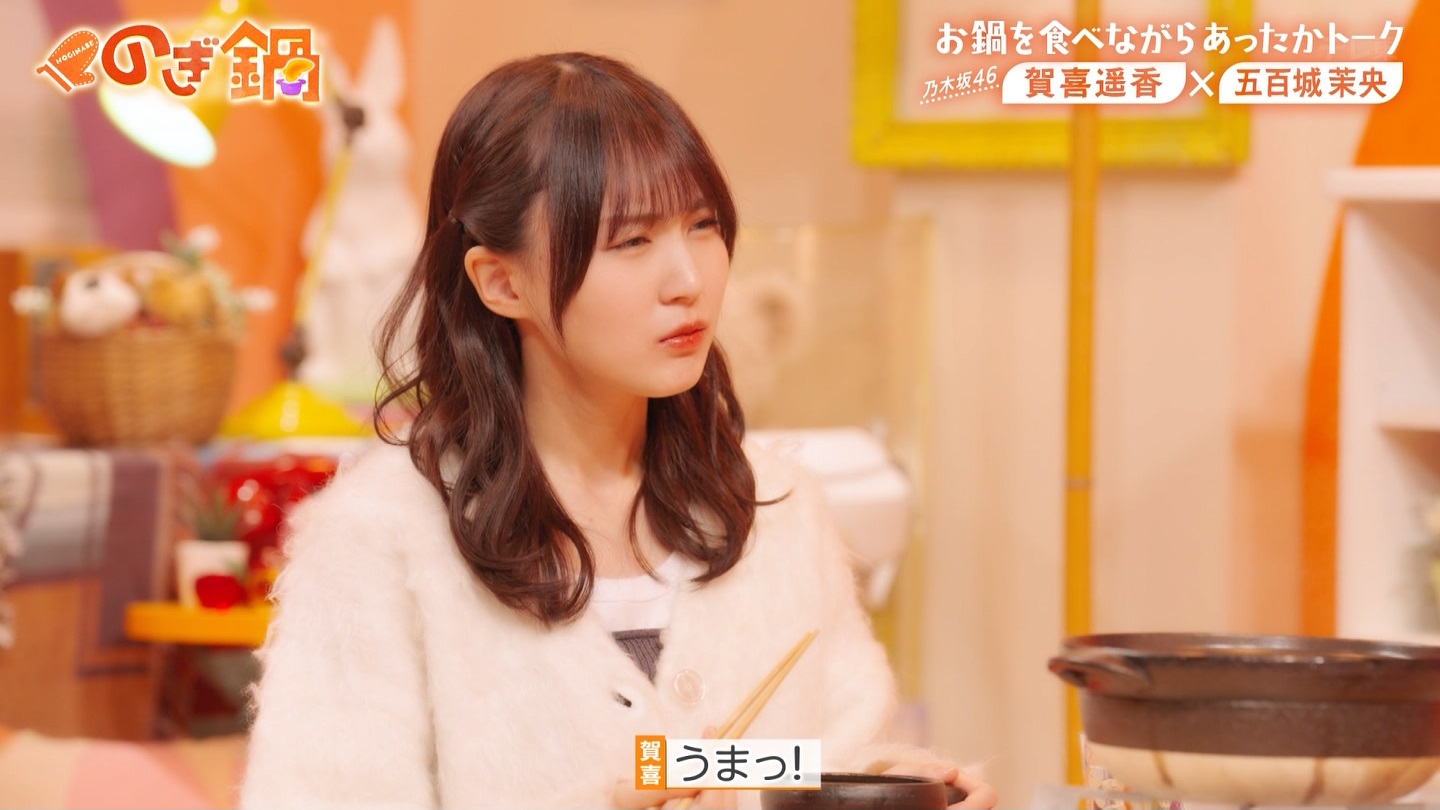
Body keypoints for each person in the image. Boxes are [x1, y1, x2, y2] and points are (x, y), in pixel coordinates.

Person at [239, 52, 997, 810]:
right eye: (631, 242)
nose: (689, 281)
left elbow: (793, 762)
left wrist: (888, 785)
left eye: (702, 225)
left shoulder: (775, 507)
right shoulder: (380, 540)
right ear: (502, 281)